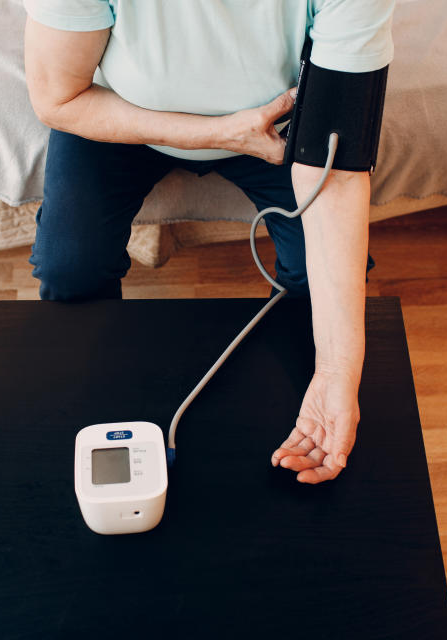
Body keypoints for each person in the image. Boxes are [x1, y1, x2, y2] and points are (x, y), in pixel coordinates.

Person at [23, 0, 394, 484]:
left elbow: (339, 175)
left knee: (313, 278)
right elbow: (60, 99)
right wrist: (216, 133)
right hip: (120, 115)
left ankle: (294, 393)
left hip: (275, 124)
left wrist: (338, 374)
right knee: (69, 266)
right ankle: (95, 400)